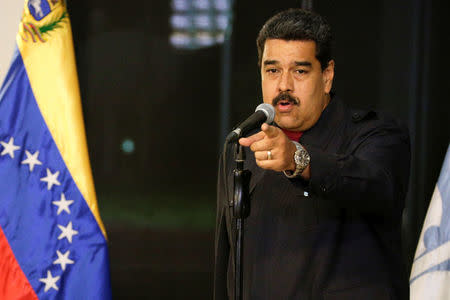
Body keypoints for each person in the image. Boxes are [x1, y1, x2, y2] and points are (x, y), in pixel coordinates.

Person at [214, 8, 411, 300]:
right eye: (272, 70)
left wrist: (297, 159)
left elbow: (375, 184)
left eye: (300, 71)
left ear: (327, 75)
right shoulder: (243, 146)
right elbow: (227, 263)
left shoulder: (376, 134)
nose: (283, 85)